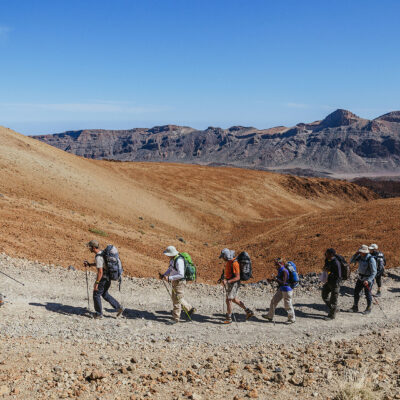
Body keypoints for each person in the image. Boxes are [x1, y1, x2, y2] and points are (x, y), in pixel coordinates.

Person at [84, 240, 124, 319]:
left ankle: (99, 314)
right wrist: (90, 264)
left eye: (90, 247)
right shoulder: (102, 253)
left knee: (96, 294)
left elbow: (100, 272)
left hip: (103, 278)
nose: (89, 248)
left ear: (93, 247)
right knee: (105, 294)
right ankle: (119, 307)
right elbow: (101, 264)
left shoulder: (98, 257)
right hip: (108, 278)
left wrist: (97, 283)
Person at [160, 245, 196, 324]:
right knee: (176, 298)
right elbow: (170, 269)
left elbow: (181, 274)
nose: (167, 256)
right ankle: (189, 309)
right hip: (175, 281)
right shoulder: (173, 259)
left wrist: (169, 278)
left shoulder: (179, 260)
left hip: (179, 282)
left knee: (177, 300)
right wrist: (164, 275)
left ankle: (175, 318)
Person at [219, 248, 254, 324]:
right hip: (231, 282)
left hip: (234, 283)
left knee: (228, 299)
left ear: (226, 256)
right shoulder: (229, 262)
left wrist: (227, 281)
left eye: (223, 257)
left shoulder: (234, 263)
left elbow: (237, 277)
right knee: (233, 299)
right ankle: (248, 311)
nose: (222, 258)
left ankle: (229, 318)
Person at [263, 258, 295, 324]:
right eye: (275, 264)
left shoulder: (284, 271)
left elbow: (283, 282)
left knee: (287, 305)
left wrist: (276, 278)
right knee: (273, 301)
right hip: (282, 289)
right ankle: (270, 316)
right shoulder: (280, 270)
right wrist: (271, 280)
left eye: (277, 264)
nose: (276, 265)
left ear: (281, 263)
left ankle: (292, 319)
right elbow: (278, 279)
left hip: (286, 290)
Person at [351, 244, 377, 314]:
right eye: (359, 251)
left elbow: (374, 272)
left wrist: (368, 280)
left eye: (361, 252)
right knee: (356, 292)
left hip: (367, 280)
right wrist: (355, 254)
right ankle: (355, 307)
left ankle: (368, 308)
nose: (360, 252)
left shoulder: (371, 259)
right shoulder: (359, 256)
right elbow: (352, 261)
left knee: (367, 294)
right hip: (360, 278)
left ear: (365, 252)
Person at [321, 248, 342, 319]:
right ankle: (334, 309)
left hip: (335, 283)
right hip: (329, 281)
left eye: (326, 253)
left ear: (331, 254)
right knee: (324, 295)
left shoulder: (336, 263)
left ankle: (332, 315)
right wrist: (325, 269)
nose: (325, 254)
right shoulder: (327, 260)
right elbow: (326, 267)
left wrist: (329, 272)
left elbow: (338, 276)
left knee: (333, 300)